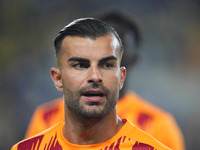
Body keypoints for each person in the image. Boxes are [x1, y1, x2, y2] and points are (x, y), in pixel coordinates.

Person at [24, 12, 185, 150]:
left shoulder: (157, 125)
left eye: (107, 63)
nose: (95, 75)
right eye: (81, 64)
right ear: (57, 78)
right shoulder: (44, 120)